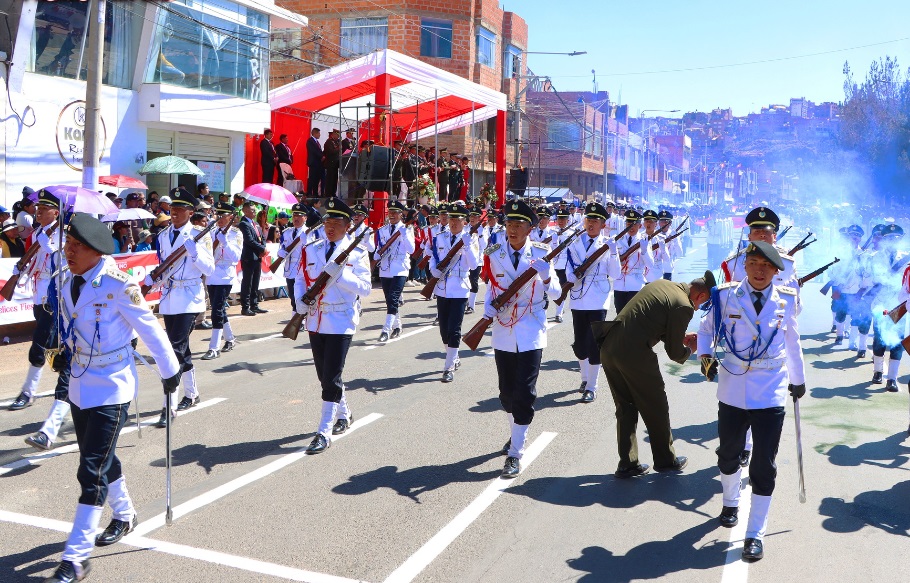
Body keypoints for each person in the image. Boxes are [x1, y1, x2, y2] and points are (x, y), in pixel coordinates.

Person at [41, 213, 181, 583]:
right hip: (79, 382)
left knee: (91, 470)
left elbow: (150, 329)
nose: (67, 252)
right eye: (67, 245)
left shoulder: (119, 285)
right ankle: (125, 514)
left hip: (113, 384)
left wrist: (170, 373)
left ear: (94, 251)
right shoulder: (65, 280)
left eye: (74, 247)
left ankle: (75, 558)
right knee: (100, 456)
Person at [696, 241, 805, 562]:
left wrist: (798, 382)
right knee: (728, 454)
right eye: (754, 263)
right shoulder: (726, 296)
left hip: (770, 390)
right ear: (745, 266)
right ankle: (730, 502)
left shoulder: (786, 300)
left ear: (775, 270)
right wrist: (705, 358)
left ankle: (755, 532)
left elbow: (793, 343)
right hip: (732, 388)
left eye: (767, 266)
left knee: (763, 465)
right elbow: (705, 331)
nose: (760, 270)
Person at [593, 271, 713, 479]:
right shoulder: (684, 305)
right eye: (703, 303)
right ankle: (666, 460)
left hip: (609, 347)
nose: (699, 307)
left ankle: (628, 464)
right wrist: (691, 348)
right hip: (634, 354)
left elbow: (649, 319)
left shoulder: (663, 284)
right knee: (656, 405)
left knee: (625, 407)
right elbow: (675, 353)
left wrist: (679, 337)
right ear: (701, 296)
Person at [482, 199, 560, 478]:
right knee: (506, 393)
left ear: (530, 229)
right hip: (503, 330)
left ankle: (516, 452)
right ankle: (515, 430)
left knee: (525, 393)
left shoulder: (541, 253)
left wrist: (548, 276)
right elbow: (493, 287)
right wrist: (487, 308)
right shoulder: (493, 253)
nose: (512, 230)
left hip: (531, 330)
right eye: (509, 225)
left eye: (518, 225)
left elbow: (556, 295)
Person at [294, 198, 372, 454]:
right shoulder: (313, 248)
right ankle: (344, 413)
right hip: (316, 318)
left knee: (331, 376)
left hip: (341, 319)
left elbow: (366, 288)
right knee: (324, 376)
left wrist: (341, 273)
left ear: (348, 226)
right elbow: (300, 277)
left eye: (337, 223)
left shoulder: (357, 252)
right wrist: (299, 303)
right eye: (328, 221)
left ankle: (323, 432)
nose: (330, 227)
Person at [147, 189, 215, 426]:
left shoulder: (199, 235)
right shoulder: (164, 235)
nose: (174, 213)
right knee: (181, 349)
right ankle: (192, 393)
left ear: (190, 212)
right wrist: (151, 280)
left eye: (180, 209)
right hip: (168, 297)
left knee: (174, 348)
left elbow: (210, 269)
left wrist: (194, 251)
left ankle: (169, 405)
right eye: (172, 209)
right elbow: (163, 266)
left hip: (189, 298)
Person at [8, 190, 68, 411]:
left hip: (55, 294)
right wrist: (20, 270)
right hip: (38, 294)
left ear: (55, 212)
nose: (38, 212)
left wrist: (49, 246)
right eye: (38, 208)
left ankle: (28, 391)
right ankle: (69, 384)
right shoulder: (36, 234)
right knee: (52, 346)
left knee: (39, 344)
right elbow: (33, 262)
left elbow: (65, 264)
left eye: (43, 209)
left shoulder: (63, 234)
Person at [564, 202, 621, 403]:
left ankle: (592, 386)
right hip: (579, 297)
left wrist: (614, 253)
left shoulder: (607, 245)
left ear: (603, 224)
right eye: (588, 219)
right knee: (580, 344)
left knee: (595, 344)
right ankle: (584, 378)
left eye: (596, 221)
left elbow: (615, 274)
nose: (591, 224)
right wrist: (570, 277)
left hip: (598, 298)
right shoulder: (575, 243)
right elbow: (567, 267)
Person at [428, 204, 480, 382]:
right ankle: (454, 356)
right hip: (442, 287)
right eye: (451, 219)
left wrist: (467, 247)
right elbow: (433, 257)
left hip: (460, 288)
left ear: (465, 222)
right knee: (443, 329)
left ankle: (448, 366)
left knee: (454, 329)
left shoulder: (471, 239)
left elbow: (473, 265)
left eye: (457, 220)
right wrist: (433, 269)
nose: (453, 223)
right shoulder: (440, 237)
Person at [201, 203, 242, 361]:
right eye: (218, 215)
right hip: (212, 274)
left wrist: (225, 242)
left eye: (223, 215)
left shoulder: (236, 234)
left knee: (217, 310)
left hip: (225, 275)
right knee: (218, 309)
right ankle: (230, 339)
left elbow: (236, 257)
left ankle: (214, 347)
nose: (220, 218)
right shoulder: (211, 231)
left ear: (230, 217)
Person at [374, 201, 416, 342]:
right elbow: (379, 247)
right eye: (390, 212)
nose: (391, 215)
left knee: (393, 298)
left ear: (400, 214)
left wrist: (404, 236)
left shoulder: (407, 230)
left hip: (400, 269)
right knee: (390, 300)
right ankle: (398, 326)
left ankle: (386, 329)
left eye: (395, 212)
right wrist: (376, 255)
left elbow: (411, 250)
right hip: (385, 269)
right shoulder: (382, 230)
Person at [613, 209, 656, 314]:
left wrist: (644, 251)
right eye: (628, 223)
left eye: (634, 224)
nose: (631, 227)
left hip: (636, 284)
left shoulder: (644, 240)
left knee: (633, 316)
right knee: (620, 315)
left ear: (640, 226)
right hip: (620, 283)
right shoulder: (618, 239)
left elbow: (650, 265)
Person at [277, 203, 309, 314]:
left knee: (301, 295)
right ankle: (295, 316)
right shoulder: (287, 232)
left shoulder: (310, 233)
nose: (296, 218)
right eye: (294, 215)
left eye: (299, 215)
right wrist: (280, 251)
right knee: (292, 295)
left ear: (305, 218)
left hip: (302, 269)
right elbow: (282, 246)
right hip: (290, 268)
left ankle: (302, 318)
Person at [238, 200, 268, 316]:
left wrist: (262, 248)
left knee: (255, 282)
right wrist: (261, 248)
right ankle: (245, 307)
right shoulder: (244, 224)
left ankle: (254, 305)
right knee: (247, 282)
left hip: (257, 257)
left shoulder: (254, 224)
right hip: (249, 257)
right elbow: (249, 240)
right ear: (245, 211)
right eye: (252, 210)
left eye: (255, 210)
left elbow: (262, 238)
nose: (254, 212)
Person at [656, 210, 684, 280]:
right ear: (658, 223)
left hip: (667, 268)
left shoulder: (674, 234)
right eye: (662, 221)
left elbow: (679, 253)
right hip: (655, 269)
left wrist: (675, 240)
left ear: (670, 223)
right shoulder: (654, 234)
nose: (664, 223)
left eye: (666, 221)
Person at [323, 129, 342, 197]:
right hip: (330, 164)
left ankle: (333, 193)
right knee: (330, 180)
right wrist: (338, 148)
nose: (338, 137)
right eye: (337, 135)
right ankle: (328, 194)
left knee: (334, 180)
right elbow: (330, 152)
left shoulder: (336, 142)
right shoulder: (329, 142)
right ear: (333, 135)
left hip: (335, 164)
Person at [306, 127, 324, 197]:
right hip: (313, 162)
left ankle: (315, 193)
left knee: (317, 179)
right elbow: (313, 151)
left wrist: (323, 155)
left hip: (318, 163)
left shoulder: (317, 142)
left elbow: (319, 151)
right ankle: (309, 192)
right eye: (318, 133)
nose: (319, 135)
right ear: (315, 133)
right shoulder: (310, 141)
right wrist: (321, 156)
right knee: (312, 178)